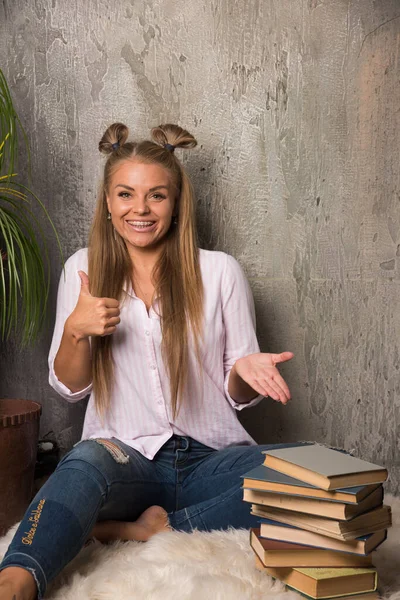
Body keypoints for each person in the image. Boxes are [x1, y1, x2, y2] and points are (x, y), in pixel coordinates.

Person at [0, 123, 294, 600]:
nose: (140, 209)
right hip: (124, 458)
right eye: (125, 194)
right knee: (84, 460)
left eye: (156, 195)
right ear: (108, 203)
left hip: (211, 461)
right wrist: (77, 330)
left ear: (176, 203)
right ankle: (16, 578)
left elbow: (237, 393)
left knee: (322, 473)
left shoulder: (220, 272)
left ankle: (151, 529)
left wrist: (243, 372)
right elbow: (70, 388)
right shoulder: (82, 269)